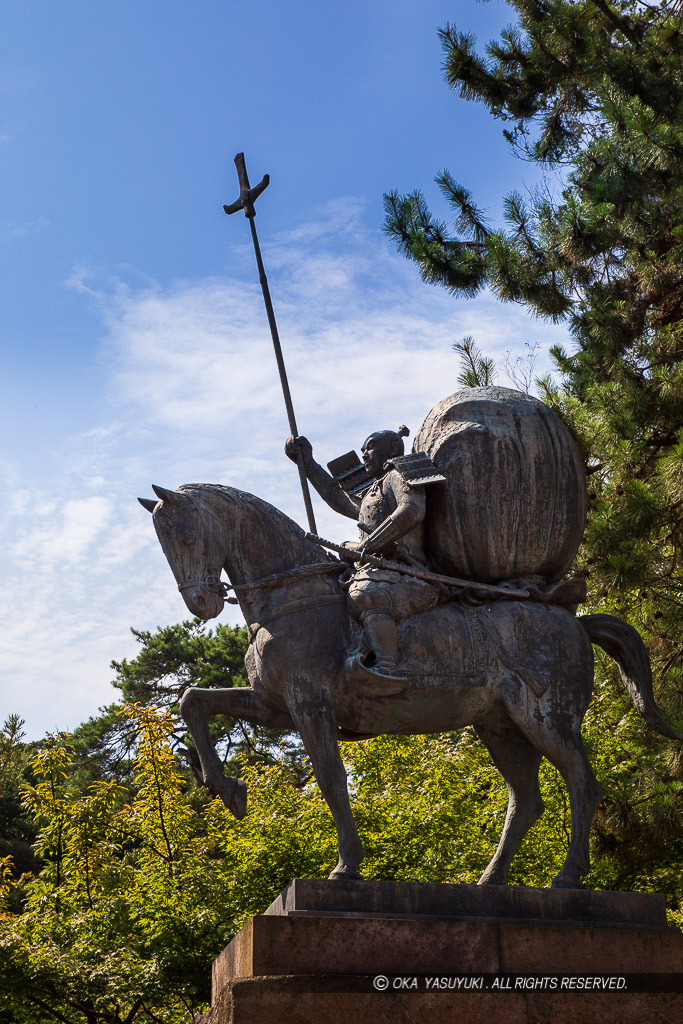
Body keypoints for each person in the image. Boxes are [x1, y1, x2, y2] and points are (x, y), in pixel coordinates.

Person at [285, 428, 441, 694]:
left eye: (369, 447)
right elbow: (338, 498)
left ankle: (386, 666)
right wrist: (308, 464)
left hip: (406, 573)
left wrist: (366, 546)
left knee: (369, 595)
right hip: (375, 570)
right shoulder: (373, 491)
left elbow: (412, 509)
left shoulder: (399, 473)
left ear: (392, 447)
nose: (363, 454)